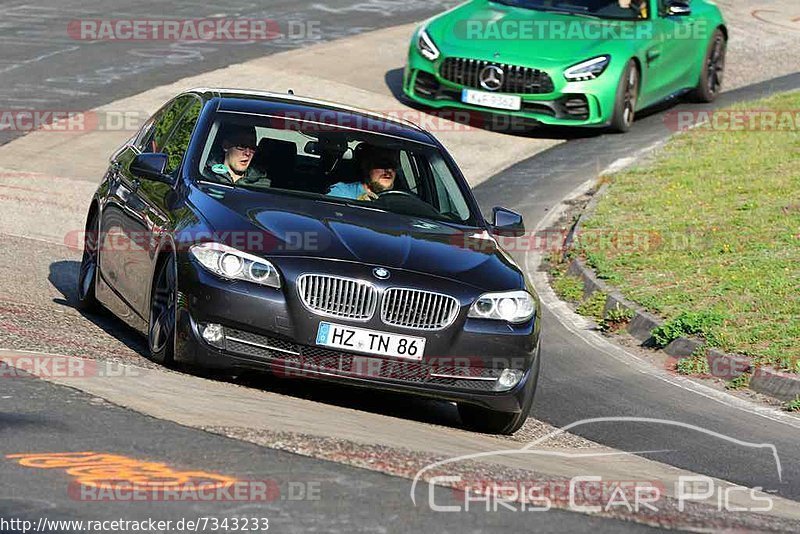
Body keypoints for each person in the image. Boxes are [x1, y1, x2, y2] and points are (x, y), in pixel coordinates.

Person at [327, 145, 398, 201]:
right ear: (367, 167)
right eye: (382, 165)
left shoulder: (401, 202)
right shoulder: (342, 193)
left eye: (393, 165)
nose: (388, 170)